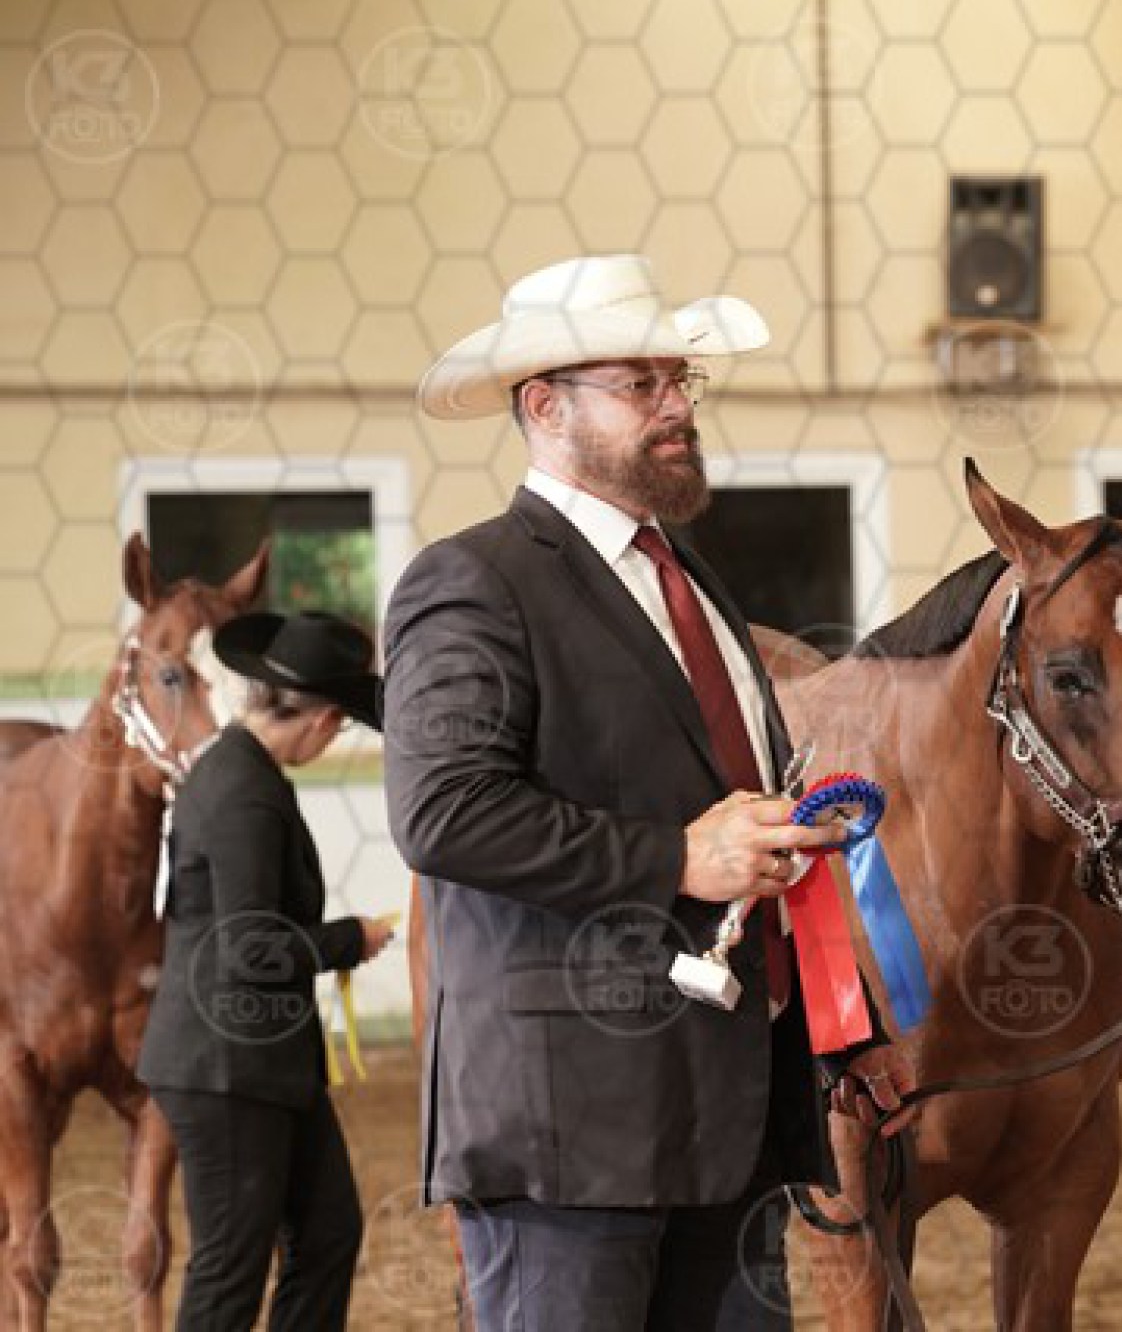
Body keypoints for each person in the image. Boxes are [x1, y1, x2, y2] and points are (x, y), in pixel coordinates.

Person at [385, 253, 918, 1330]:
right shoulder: (475, 579)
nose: (677, 406)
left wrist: (838, 1024)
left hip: (728, 1121)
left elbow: (757, 821)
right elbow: (443, 811)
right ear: (545, 406)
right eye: (641, 384)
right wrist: (675, 855)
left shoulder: (689, 579)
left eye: (681, 380)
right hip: (568, 1137)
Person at [137, 610, 398, 1331]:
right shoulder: (243, 791)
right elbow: (248, 950)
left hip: (262, 1063)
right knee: (231, 1268)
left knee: (326, 1232)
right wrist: (350, 939)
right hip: (226, 1066)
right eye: (340, 726)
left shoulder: (239, 772)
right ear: (322, 721)